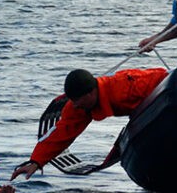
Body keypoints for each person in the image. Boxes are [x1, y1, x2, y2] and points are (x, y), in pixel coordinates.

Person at [10, 67, 168, 180]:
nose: (75, 104)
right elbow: (60, 133)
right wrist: (36, 161)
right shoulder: (77, 106)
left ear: (91, 92)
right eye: (72, 100)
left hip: (167, 91)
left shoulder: (125, 88)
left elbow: (165, 84)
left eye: (78, 99)